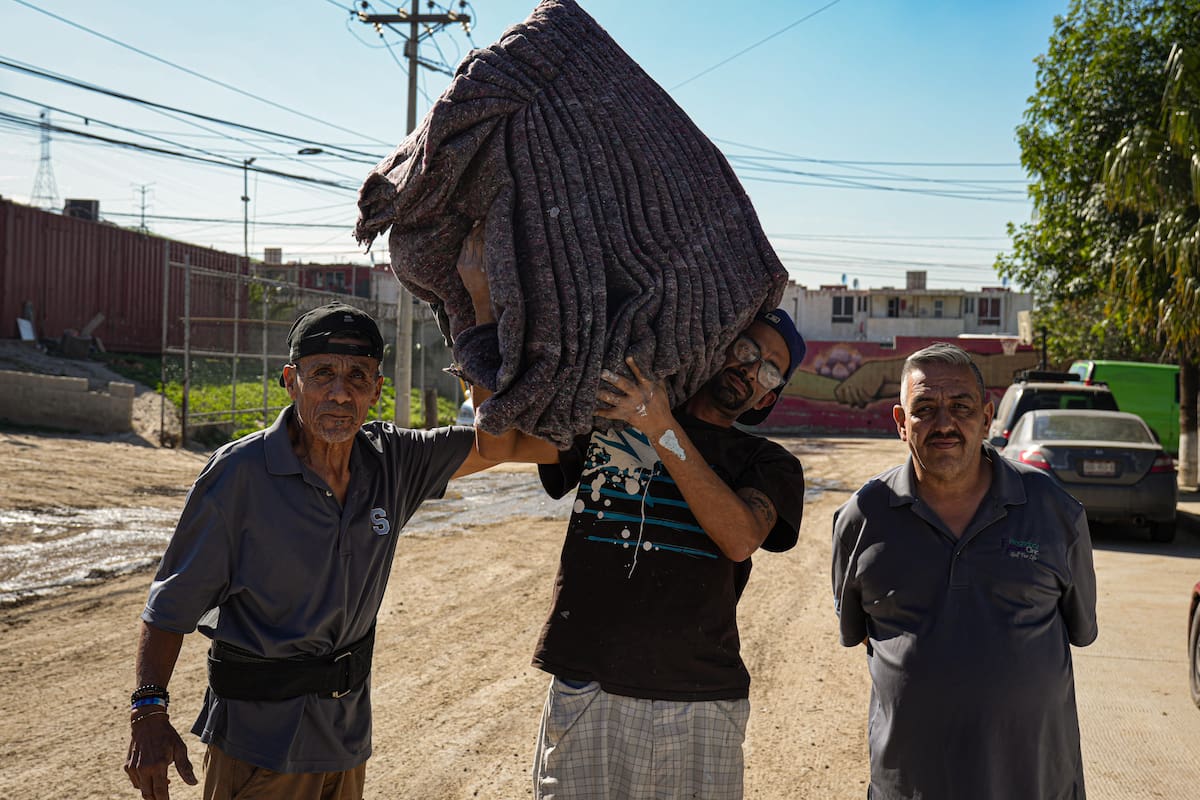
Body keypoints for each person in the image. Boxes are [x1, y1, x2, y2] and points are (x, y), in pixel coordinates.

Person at [123, 296, 548, 800]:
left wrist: (477, 326)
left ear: (377, 391)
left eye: (358, 377)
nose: (340, 394)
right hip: (261, 745)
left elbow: (497, 445)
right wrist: (148, 711)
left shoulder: (394, 460)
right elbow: (169, 606)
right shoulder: (240, 474)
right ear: (290, 381)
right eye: (322, 373)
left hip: (345, 740)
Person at [523, 308, 809, 799]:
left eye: (768, 369)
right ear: (715, 342)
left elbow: (739, 538)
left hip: (700, 699)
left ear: (769, 395)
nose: (749, 368)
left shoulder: (768, 464)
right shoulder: (612, 420)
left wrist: (659, 426)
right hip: (591, 687)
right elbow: (512, 437)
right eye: (746, 349)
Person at [831, 342, 1098, 799]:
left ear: (987, 416)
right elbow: (862, 637)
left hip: (1035, 785)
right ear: (900, 422)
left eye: (961, 406)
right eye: (926, 408)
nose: (944, 423)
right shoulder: (862, 517)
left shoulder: (1053, 510)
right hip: (909, 786)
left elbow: (1080, 627)